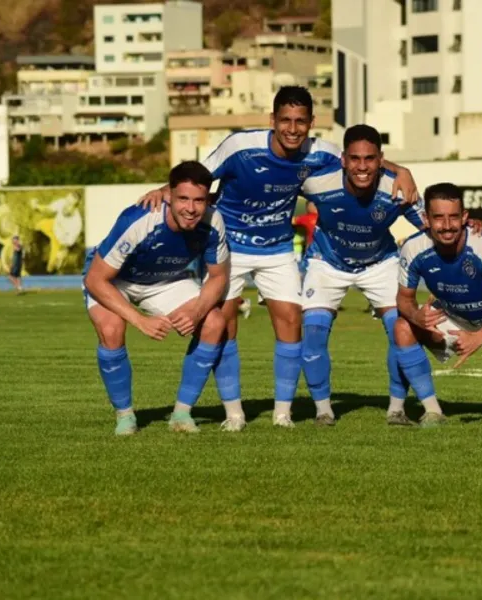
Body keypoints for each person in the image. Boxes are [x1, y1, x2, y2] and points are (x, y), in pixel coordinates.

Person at [139, 86, 419, 430]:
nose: (292, 128)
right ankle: (234, 415)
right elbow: (198, 175)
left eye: (300, 121)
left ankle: (282, 414)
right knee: (223, 325)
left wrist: (400, 169)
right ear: (272, 120)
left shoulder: (321, 153)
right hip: (231, 247)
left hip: (278, 249)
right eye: (285, 120)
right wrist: (163, 190)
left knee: (290, 323)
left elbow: (362, 159)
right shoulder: (240, 147)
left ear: (311, 123)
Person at [83, 161, 230, 436]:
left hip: (165, 280)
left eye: (199, 200)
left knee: (214, 322)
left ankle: (182, 414)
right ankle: (125, 416)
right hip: (114, 280)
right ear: (169, 195)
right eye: (183, 198)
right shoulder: (140, 218)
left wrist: (197, 312)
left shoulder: (213, 221)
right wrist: (141, 320)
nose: (190, 208)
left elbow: (219, 276)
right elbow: (95, 279)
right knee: (112, 328)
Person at [299, 124, 428, 426]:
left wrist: (470, 232)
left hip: (379, 263)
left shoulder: (396, 186)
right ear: (343, 159)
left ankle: (397, 409)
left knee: (401, 330)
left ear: (381, 160)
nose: (362, 166)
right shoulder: (317, 181)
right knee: (314, 333)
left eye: (370, 159)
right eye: (355, 159)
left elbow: (431, 227)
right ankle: (323, 411)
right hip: (326, 261)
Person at [394, 183, 482, 428]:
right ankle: (433, 411)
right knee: (402, 326)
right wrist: (416, 315)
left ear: (465, 217)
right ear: (426, 218)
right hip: (451, 317)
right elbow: (403, 299)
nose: (446, 226)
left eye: (454, 217)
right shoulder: (413, 247)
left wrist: (480, 336)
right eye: (438, 218)